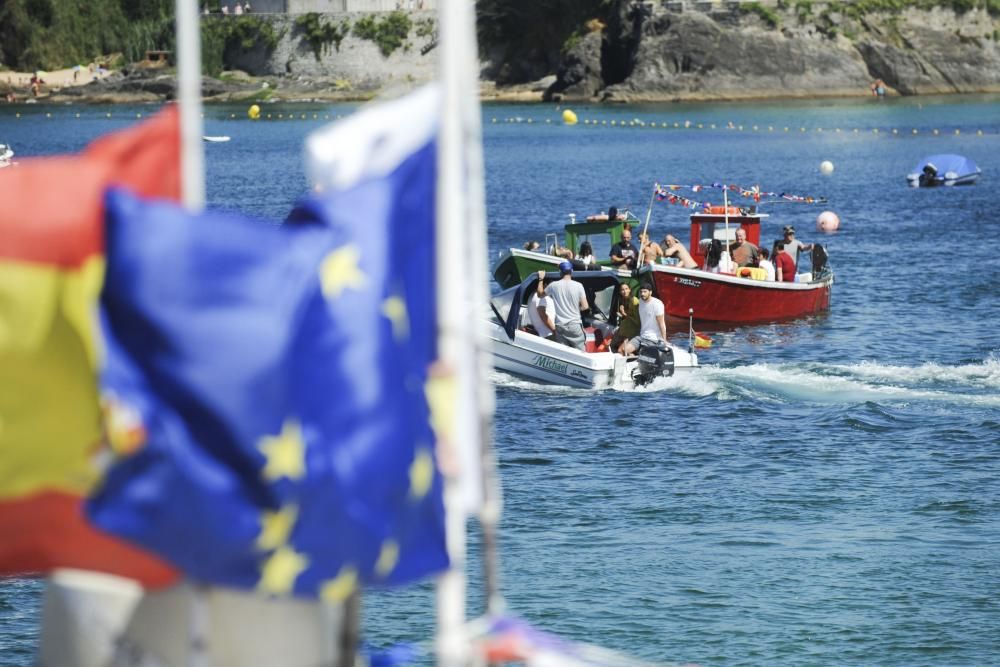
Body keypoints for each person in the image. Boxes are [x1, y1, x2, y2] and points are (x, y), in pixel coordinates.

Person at [543, 260, 589, 351]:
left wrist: (541, 279)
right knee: (581, 354)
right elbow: (585, 306)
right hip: (575, 325)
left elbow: (540, 294)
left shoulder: (553, 285)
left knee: (564, 353)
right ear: (572, 271)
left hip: (560, 326)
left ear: (560, 272)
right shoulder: (579, 285)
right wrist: (575, 309)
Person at [621, 282, 667, 356]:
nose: (642, 294)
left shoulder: (657, 304)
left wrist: (664, 341)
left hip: (653, 339)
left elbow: (661, 324)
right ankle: (636, 360)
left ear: (650, 292)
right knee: (624, 350)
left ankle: (639, 359)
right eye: (641, 292)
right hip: (641, 337)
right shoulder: (641, 302)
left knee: (643, 355)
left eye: (645, 291)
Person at [609, 282, 640, 355]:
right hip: (624, 329)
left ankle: (631, 358)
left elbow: (637, 321)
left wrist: (623, 314)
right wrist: (622, 315)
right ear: (620, 292)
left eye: (626, 289)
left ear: (630, 290)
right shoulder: (622, 300)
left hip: (632, 332)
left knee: (620, 350)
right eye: (622, 290)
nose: (625, 291)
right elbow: (627, 317)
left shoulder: (634, 301)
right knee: (611, 346)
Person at [527, 270, 556, 341]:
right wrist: (554, 331)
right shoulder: (542, 297)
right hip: (549, 334)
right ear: (545, 285)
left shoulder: (533, 295)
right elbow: (542, 314)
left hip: (544, 334)